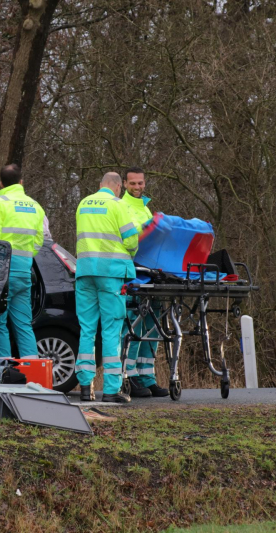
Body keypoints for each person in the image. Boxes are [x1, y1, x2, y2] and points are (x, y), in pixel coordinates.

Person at [74, 172, 139, 404]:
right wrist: (128, 256)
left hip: (84, 272)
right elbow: (131, 241)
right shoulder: (118, 205)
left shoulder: (83, 204)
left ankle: (84, 386)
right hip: (110, 274)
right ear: (118, 187)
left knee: (87, 328)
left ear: (100, 185)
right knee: (111, 329)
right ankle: (111, 390)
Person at [0, 164, 45, 360]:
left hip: (2, 272)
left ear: (0, 183)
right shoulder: (35, 206)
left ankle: (3, 371)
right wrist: (25, 256)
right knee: (23, 324)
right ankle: (33, 374)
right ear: (21, 182)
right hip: (24, 272)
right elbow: (39, 240)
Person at [122, 167, 168, 398]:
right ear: (124, 184)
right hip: (133, 273)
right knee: (133, 325)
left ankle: (146, 376)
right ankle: (129, 377)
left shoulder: (145, 208)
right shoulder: (122, 207)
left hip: (149, 273)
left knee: (152, 325)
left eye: (141, 183)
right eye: (133, 184)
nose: (138, 187)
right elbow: (130, 239)